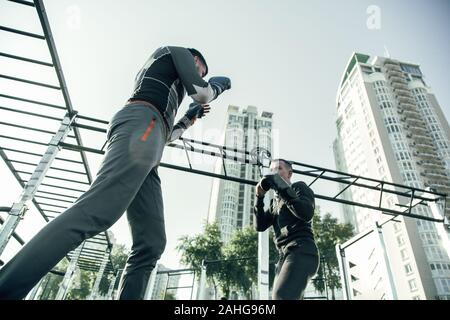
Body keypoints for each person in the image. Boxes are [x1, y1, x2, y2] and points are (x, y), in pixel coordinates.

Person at [0, 46, 231, 300]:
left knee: (151, 241)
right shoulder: (176, 52)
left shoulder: (166, 89)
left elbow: (166, 136)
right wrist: (215, 87)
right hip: (143, 125)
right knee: (96, 210)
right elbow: (202, 92)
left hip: (150, 137)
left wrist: (187, 120)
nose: (199, 74)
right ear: (194, 59)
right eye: (201, 70)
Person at [254, 159, 319, 300]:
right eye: (271, 170)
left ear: (289, 173)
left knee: (281, 296)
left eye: (278, 169)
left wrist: (279, 185)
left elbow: (306, 213)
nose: (274, 173)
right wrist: (259, 197)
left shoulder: (299, 187)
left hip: (302, 250)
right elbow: (260, 226)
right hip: (284, 256)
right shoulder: (274, 204)